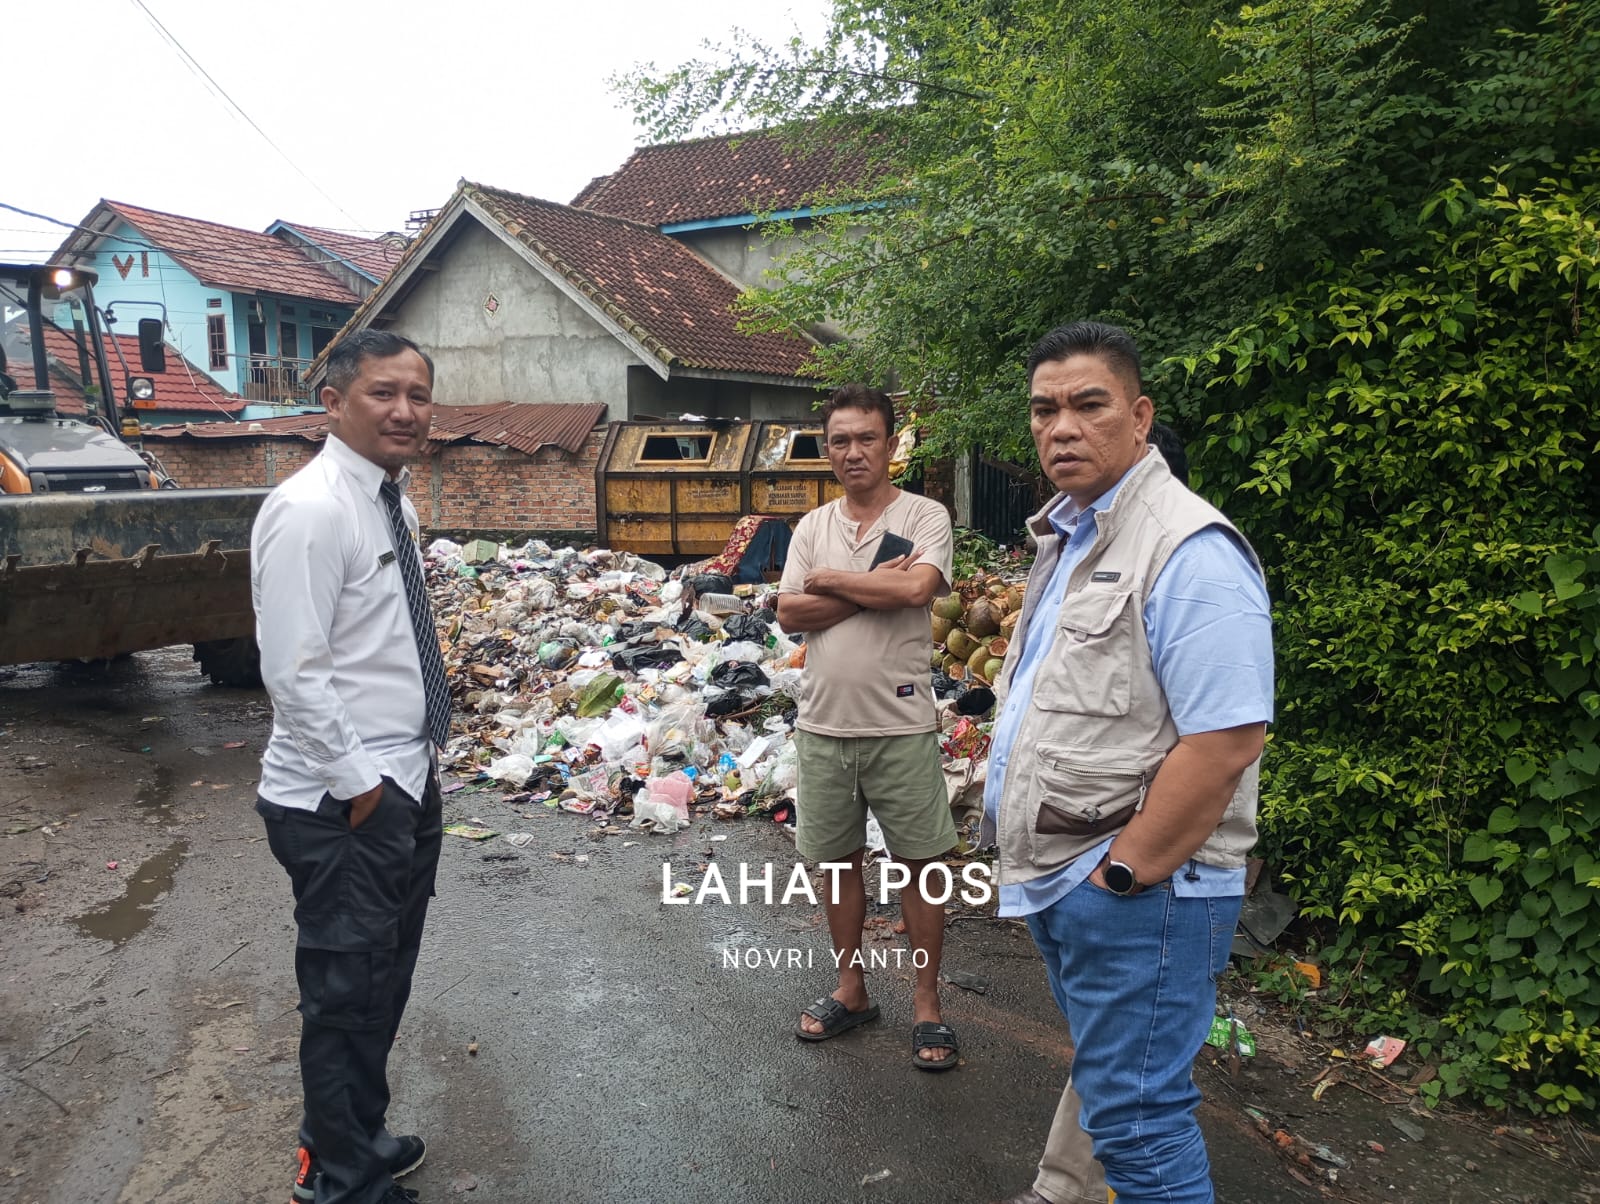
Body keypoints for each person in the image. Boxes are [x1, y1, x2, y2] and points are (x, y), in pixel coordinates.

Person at [987, 322, 1273, 1203]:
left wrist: (1120, 876)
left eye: (1087, 405)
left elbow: (1226, 741)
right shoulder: (1075, 539)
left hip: (1137, 894)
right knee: (1120, 1101)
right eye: (1044, 410)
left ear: (1140, 417)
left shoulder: (1189, 550)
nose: (1060, 428)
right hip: (1068, 878)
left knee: (1140, 1122)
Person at [252, 329, 452, 1204]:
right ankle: (336, 1179)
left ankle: (358, 1136)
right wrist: (358, 785)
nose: (404, 410)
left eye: (417, 393)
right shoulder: (309, 510)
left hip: (405, 779)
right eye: (382, 392)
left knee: (380, 982)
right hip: (344, 804)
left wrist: (406, 773)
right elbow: (293, 669)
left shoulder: (390, 504)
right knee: (343, 995)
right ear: (332, 403)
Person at [776, 383, 962, 1070]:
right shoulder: (812, 526)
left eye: (867, 438)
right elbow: (789, 616)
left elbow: (916, 590)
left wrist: (826, 582)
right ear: (829, 449)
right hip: (823, 723)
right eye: (841, 441)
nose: (854, 451)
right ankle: (851, 989)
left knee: (923, 867)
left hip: (900, 721)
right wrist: (860, 586)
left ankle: (926, 1005)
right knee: (837, 865)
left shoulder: (925, 516)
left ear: (891, 444)